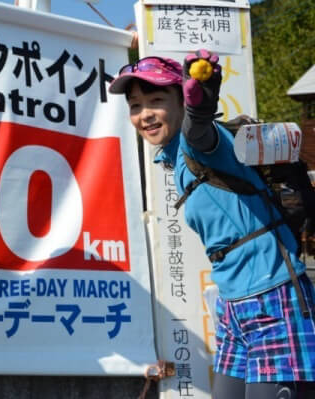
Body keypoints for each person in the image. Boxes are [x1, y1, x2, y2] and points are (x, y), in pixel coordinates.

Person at [109, 50, 315, 398]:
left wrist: (201, 106)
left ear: (180, 101)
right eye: (135, 105)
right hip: (234, 304)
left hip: (273, 297)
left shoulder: (198, 142)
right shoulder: (174, 156)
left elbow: (200, 131)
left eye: (156, 100)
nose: (145, 114)